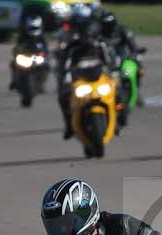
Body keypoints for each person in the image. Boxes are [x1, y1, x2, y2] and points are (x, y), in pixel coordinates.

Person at [56, 7, 112, 140]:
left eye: (89, 33)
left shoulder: (100, 45)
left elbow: (110, 62)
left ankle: (118, 120)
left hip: (99, 79)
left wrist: (114, 72)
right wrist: (65, 76)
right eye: (84, 34)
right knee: (64, 97)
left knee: (118, 92)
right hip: (80, 81)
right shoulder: (73, 48)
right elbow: (65, 65)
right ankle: (69, 125)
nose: (87, 37)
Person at [99, 10, 146, 105]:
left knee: (134, 70)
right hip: (106, 64)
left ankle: (136, 92)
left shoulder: (123, 31)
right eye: (106, 26)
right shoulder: (99, 36)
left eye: (111, 26)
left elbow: (134, 47)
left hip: (124, 61)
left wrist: (138, 61)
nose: (109, 29)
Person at [9, 16, 48, 91]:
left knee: (45, 65)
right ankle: (14, 80)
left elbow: (45, 49)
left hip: (36, 58)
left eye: (35, 28)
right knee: (13, 63)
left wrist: (43, 55)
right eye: (31, 28)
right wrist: (17, 53)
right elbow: (16, 48)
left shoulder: (41, 37)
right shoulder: (22, 36)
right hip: (25, 57)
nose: (33, 30)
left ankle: (41, 83)